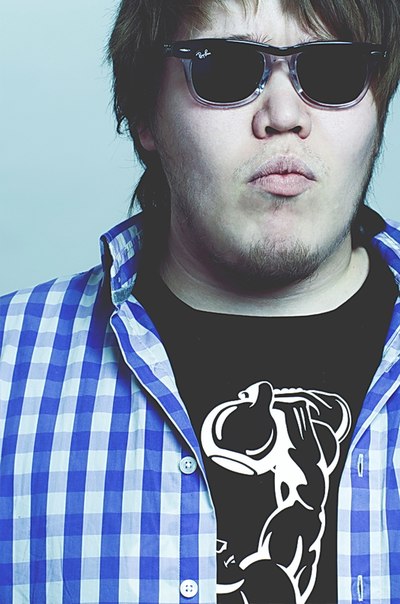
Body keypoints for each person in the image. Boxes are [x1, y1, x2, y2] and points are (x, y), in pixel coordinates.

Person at [1, 0, 400, 602]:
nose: (284, 115)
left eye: (333, 71)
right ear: (146, 114)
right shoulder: (9, 371)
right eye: (226, 69)